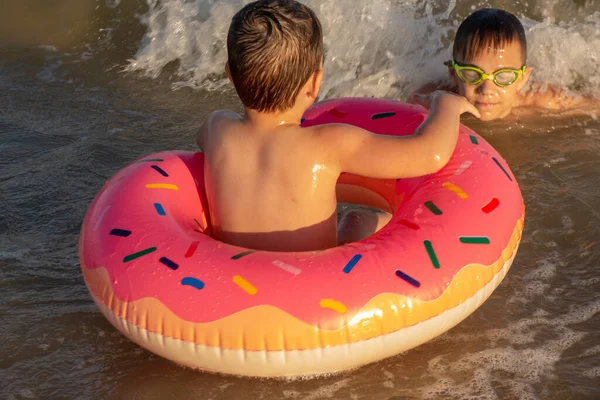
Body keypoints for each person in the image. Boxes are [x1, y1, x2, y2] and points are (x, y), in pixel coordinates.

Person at [197, 0, 479, 252]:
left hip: (236, 280)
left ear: (230, 76)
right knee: (361, 220)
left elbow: (205, 146)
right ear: (315, 83)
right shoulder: (328, 145)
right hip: (312, 288)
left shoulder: (216, 129)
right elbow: (428, 154)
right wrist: (446, 105)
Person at [411, 8, 597, 121]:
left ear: (523, 78)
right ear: (453, 73)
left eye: (504, 76)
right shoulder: (430, 100)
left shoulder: (542, 100)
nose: (487, 89)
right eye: (473, 74)